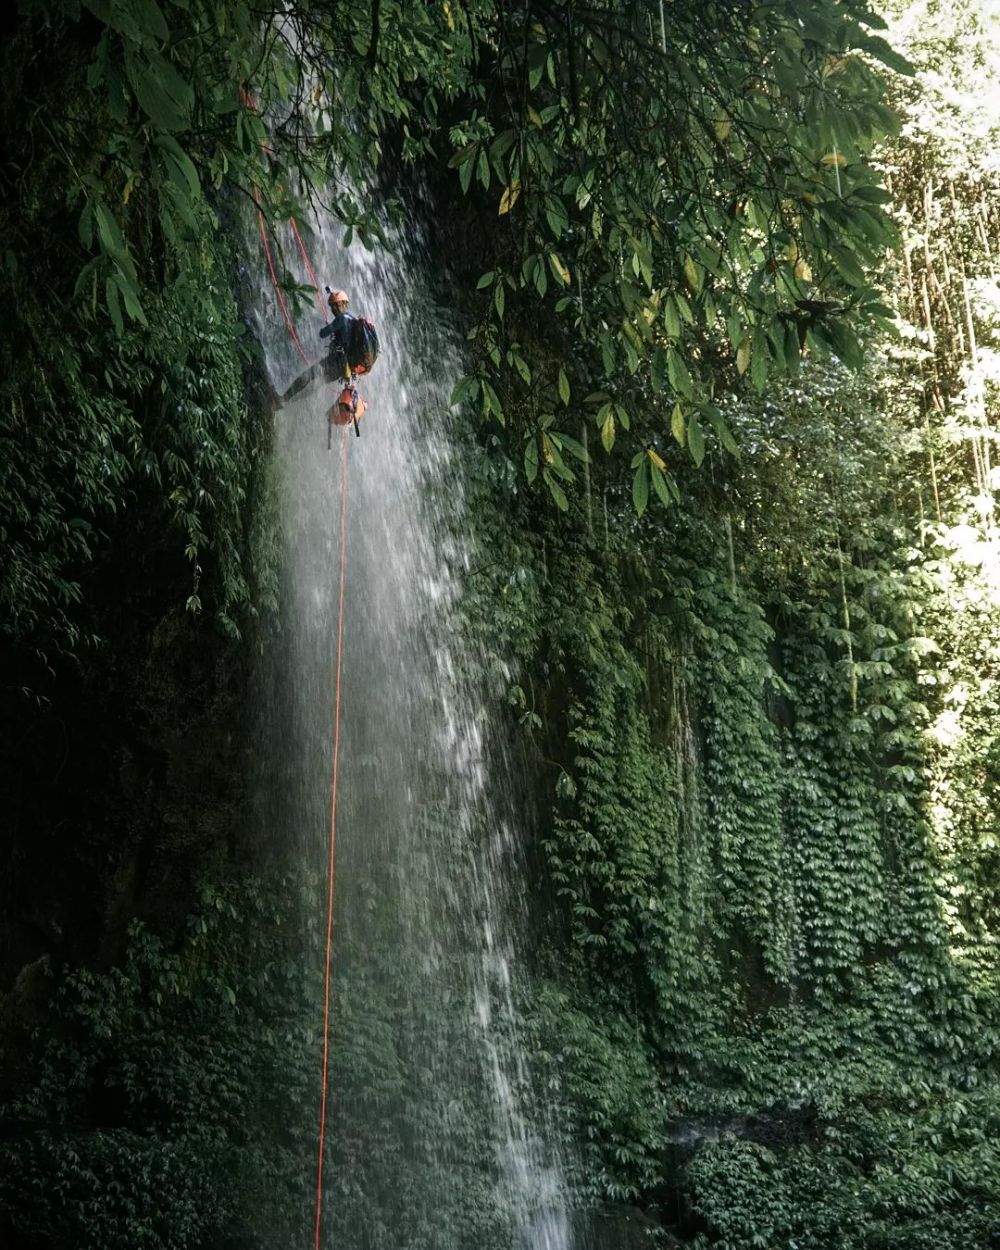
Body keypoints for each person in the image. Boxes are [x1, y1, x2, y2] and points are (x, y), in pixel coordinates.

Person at [276, 286, 356, 406]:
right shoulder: (352, 319)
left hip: (336, 362)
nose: (333, 309)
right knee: (316, 385)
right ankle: (285, 403)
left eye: (334, 305)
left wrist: (330, 327)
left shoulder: (341, 319)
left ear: (341, 304)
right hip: (344, 368)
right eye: (331, 306)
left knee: (308, 375)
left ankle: (283, 399)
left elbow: (323, 333)